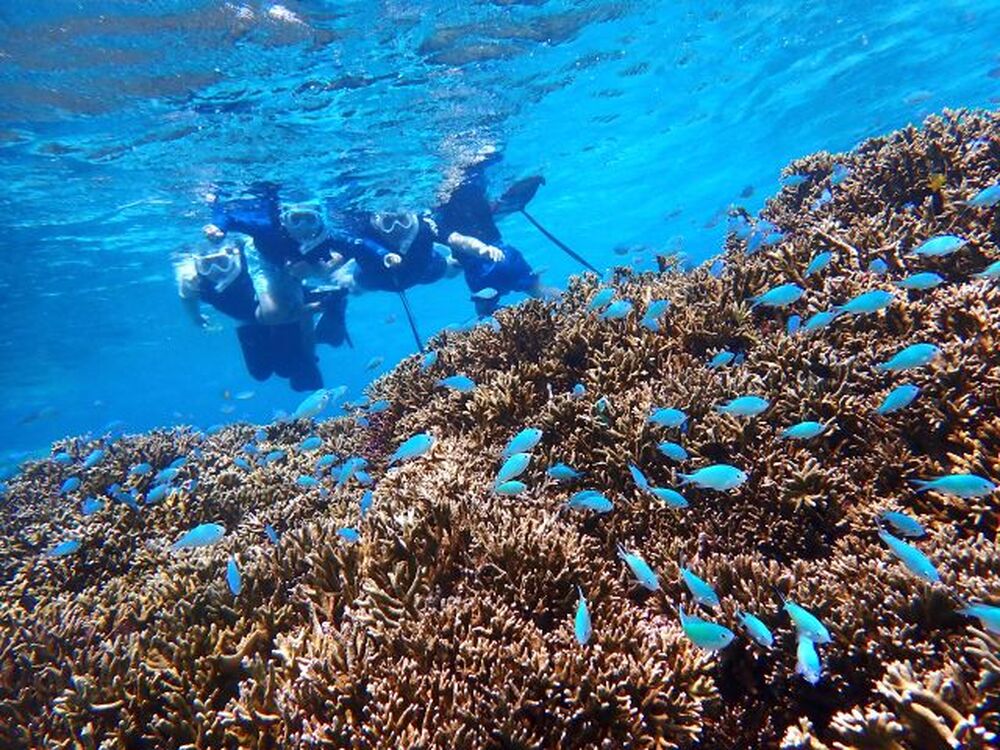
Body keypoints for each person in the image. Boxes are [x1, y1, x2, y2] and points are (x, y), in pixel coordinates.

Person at [204, 183, 351, 345]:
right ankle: (323, 304)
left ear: (319, 220)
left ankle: (319, 308)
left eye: (310, 219)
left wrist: (321, 269)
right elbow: (229, 214)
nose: (302, 227)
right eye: (295, 220)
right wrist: (219, 226)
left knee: (287, 308)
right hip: (265, 259)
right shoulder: (266, 227)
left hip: (298, 263)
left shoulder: (327, 233)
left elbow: (352, 248)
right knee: (273, 314)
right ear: (283, 219)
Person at [174, 238, 324, 392]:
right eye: (206, 265)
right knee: (260, 373)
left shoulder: (252, 263)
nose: (215, 271)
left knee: (286, 368)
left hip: (282, 316)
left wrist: (309, 351)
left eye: (222, 262)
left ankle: (309, 357)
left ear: (234, 255)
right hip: (247, 320)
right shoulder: (192, 280)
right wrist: (195, 317)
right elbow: (187, 298)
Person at [434, 151, 551, 317]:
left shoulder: (440, 212)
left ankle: (514, 324)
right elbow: (500, 204)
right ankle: (577, 311)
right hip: (506, 257)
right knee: (542, 292)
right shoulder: (478, 195)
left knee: (484, 312)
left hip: (478, 274)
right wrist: (531, 183)